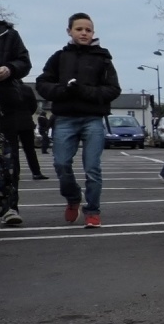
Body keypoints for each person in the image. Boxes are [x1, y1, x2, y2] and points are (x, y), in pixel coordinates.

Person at [35, 12, 121, 229]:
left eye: (88, 30)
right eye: (79, 29)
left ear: (93, 33)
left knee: (92, 168)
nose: (84, 33)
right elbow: (42, 83)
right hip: (64, 119)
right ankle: (73, 197)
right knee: (61, 164)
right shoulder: (59, 57)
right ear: (69, 31)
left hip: (92, 119)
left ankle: (92, 211)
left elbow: (113, 89)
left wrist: (84, 91)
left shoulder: (103, 59)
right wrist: (62, 90)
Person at [0, 17, 33, 225]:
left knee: (8, 158)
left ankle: (10, 206)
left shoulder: (8, 34)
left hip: (4, 105)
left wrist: (9, 69)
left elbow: (24, 62)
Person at [11, 82, 49, 181]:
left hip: (9, 122)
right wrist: (27, 113)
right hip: (26, 121)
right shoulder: (27, 89)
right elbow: (33, 106)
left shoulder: (4, 87)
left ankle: (15, 173)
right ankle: (36, 172)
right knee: (30, 150)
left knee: (13, 150)